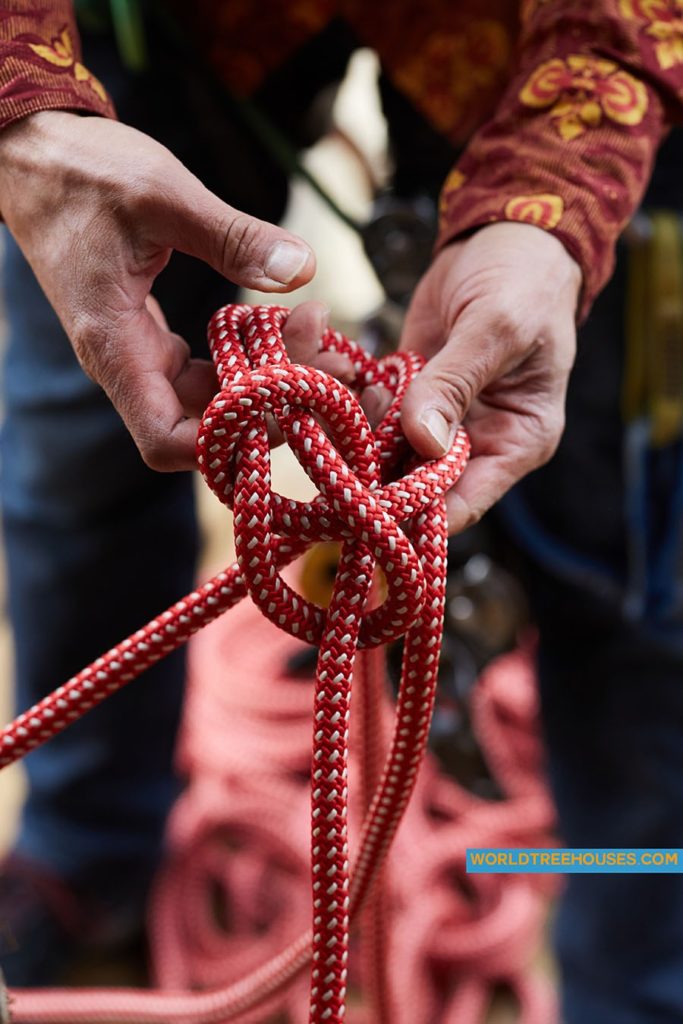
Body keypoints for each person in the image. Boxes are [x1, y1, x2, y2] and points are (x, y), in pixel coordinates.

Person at [0, 1, 680, 1021]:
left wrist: (555, 198)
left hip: (566, 30)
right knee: (81, 439)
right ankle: (85, 861)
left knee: (634, 564)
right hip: (141, 27)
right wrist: (23, 112)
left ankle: (639, 986)